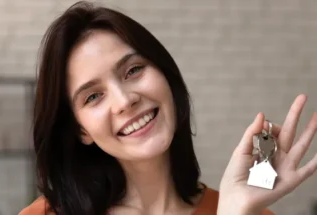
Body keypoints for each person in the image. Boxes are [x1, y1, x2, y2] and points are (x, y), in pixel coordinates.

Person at [19, 1, 317, 215]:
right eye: (93, 97)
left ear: (166, 77)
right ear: (80, 129)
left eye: (133, 70)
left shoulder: (244, 210)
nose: (125, 100)